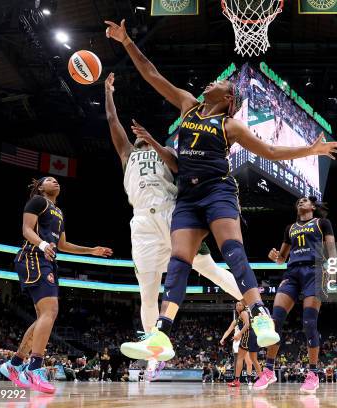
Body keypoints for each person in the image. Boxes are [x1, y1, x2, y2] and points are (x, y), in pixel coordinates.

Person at [105, 19, 337, 361]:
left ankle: (260, 316)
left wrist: (311, 150)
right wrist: (127, 41)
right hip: (187, 196)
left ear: (228, 97)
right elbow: (152, 74)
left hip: (218, 191)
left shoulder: (230, 124)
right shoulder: (188, 105)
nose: (213, 81)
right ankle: (161, 335)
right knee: (178, 262)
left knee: (232, 249)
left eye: (221, 82)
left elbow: (271, 152)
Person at [104, 73, 243, 377]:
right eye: (139, 136)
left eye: (146, 135)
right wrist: (108, 92)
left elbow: (183, 168)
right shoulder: (128, 154)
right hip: (141, 224)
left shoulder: (166, 152)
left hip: (171, 213)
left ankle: (253, 304)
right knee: (148, 291)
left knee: (210, 269)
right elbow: (113, 121)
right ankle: (154, 356)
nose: (142, 137)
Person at [0, 177, 113, 394]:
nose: (56, 181)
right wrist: (42, 245)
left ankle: (14, 364)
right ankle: (34, 368)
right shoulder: (37, 201)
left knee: (44, 316)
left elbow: (63, 245)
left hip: (48, 261)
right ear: (41, 187)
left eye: (57, 180)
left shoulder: (59, 212)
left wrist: (91, 250)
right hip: (34, 256)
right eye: (50, 180)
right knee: (51, 311)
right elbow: (26, 230)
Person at [253, 197, 336, 394]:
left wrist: (333, 271)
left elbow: (331, 250)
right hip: (292, 273)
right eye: (298, 201)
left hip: (314, 272)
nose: (301, 202)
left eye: (305, 200)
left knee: (309, 322)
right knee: (275, 320)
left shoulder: (322, 223)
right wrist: (276, 257)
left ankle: (313, 373)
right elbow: (281, 259)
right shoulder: (290, 228)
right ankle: (269, 370)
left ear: (313, 207)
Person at [221, 302, 262, 388]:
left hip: (247, 336)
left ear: (243, 306)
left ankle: (237, 380)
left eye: (240, 305)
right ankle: (262, 379)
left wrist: (239, 334)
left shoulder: (243, 313)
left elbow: (247, 325)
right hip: (253, 336)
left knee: (241, 358)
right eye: (237, 305)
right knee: (253, 359)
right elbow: (228, 330)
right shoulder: (238, 319)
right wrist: (222, 338)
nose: (238, 306)